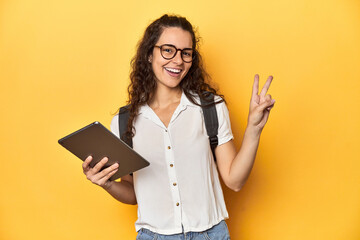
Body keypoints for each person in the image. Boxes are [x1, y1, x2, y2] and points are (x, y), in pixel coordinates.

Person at [82, 14, 275, 239]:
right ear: (148, 54)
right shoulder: (125, 121)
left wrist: (254, 129)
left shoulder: (210, 107)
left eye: (186, 53)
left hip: (210, 234)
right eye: (168, 50)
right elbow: (134, 193)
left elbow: (234, 180)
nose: (178, 60)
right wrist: (106, 183)